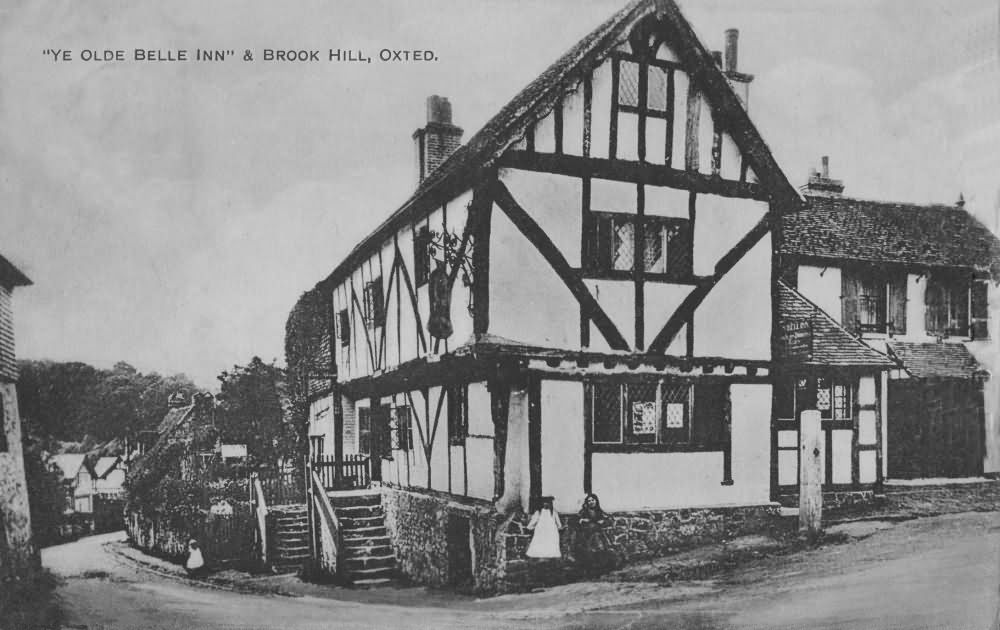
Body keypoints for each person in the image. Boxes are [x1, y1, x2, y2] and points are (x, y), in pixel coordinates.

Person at [575, 493, 615, 574]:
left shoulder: (599, 511)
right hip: (586, 535)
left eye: (592, 500)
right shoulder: (584, 511)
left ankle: (600, 569)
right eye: (589, 501)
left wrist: (604, 521)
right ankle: (590, 570)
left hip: (597, 534)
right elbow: (575, 520)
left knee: (600, 549)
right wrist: (582, 520)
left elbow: (609, 518)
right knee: (589, 552)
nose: (591, 502)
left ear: (596, 501)